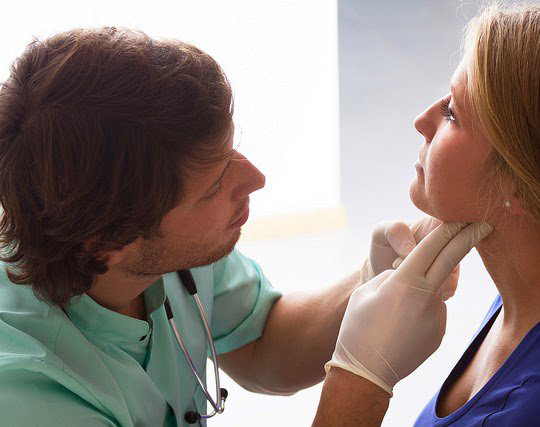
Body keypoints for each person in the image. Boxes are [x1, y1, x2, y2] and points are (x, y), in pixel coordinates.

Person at [0, 26, 492, 426]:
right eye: (214, 186)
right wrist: (361, 379)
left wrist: (371, 279)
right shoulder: (29, 397)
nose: (256, 178)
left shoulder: (162, 244)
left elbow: (263, 347)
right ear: (108, 245)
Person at [314, 2, 540, 426]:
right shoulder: (530, 303)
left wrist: (359, 381)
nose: (421, 120)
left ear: (522, 184)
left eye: (452, 113)